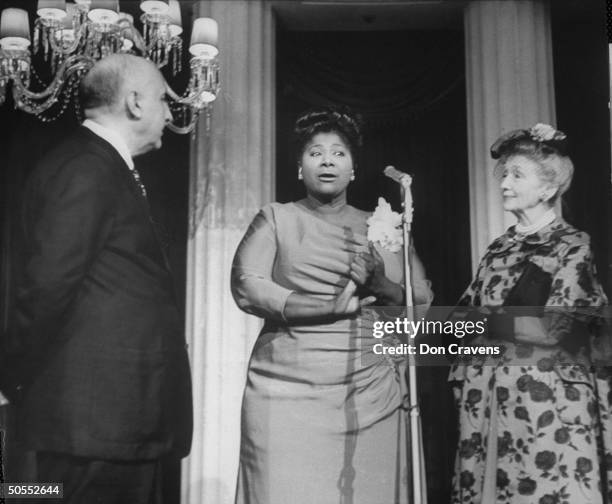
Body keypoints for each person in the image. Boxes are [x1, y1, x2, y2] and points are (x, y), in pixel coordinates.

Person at [6, 54, 192, 503]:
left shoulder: (98, 165)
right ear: (134, 103)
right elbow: (48, 285)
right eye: (164, 100)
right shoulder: (86, 168)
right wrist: (12, 377)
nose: (171, 113)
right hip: (94, 428)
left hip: (115, 425)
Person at [231, 106, 433, 503]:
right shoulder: (276, 217)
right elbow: (247, 286)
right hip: (284, 390)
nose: (327, 160)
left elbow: (420, 306)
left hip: (367, 394)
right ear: (299, 168)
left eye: (339, 153)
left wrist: (382, 285)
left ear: (354, 169)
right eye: (315, 152)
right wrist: (325, 307)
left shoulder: (383, 226)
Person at [449, 124, 612, 503]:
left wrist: (489, 321)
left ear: (548, 189)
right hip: (490, 398)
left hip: (547, 407)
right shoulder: (498, 248)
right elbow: (460, 315)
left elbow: (554, 327)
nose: (505, 182)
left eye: (517, 175)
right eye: (504, 173)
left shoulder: (573, 246)